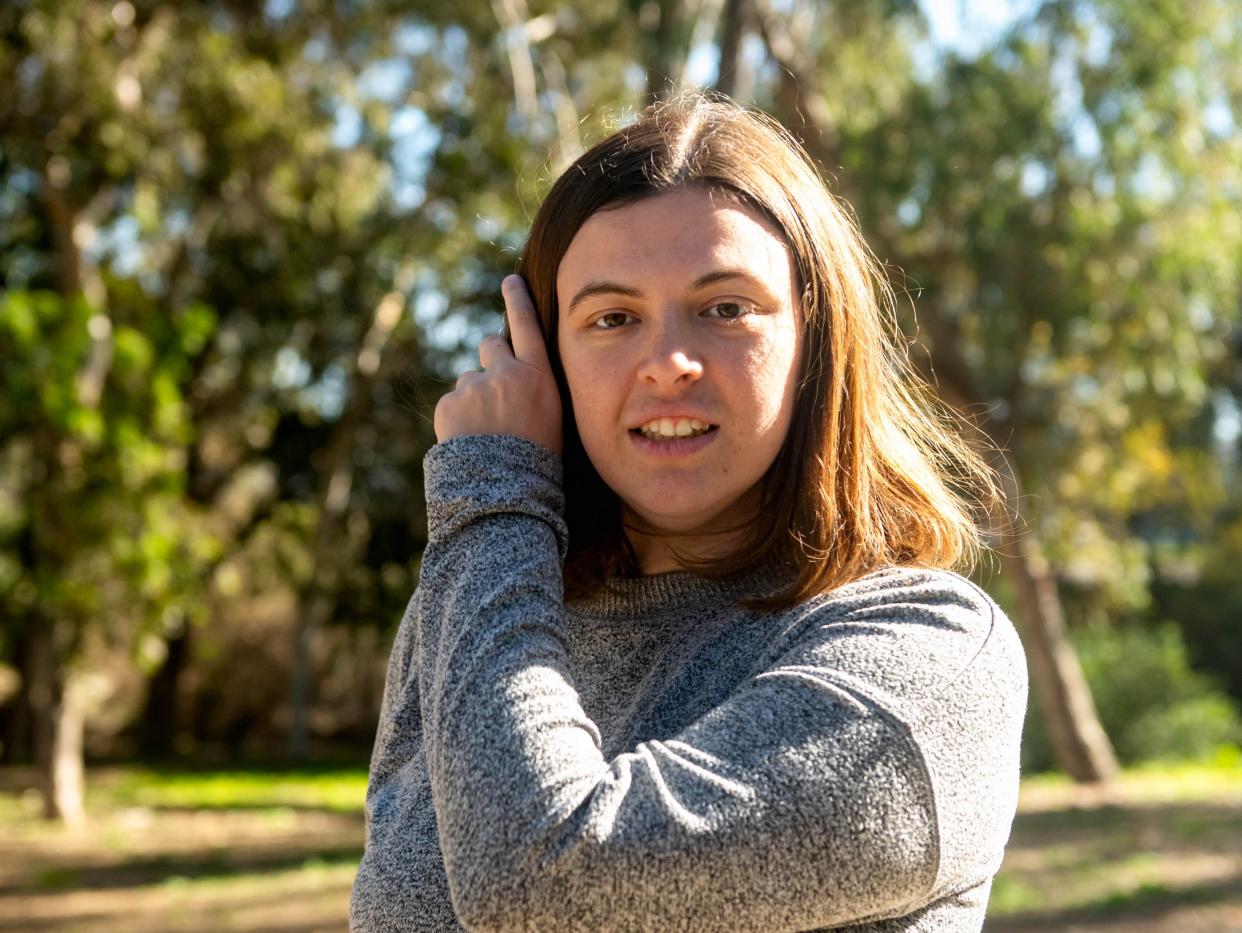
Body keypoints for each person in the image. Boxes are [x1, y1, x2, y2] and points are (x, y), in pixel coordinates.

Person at [350, 92, 1027, 932]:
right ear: (545, 355)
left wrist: (492, 489)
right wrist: (492, 529)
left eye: (726, 307)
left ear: (817, 335)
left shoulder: (931, 653)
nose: (668, 362)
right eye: (612, 317)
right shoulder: (473, 595)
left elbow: (545, 883)